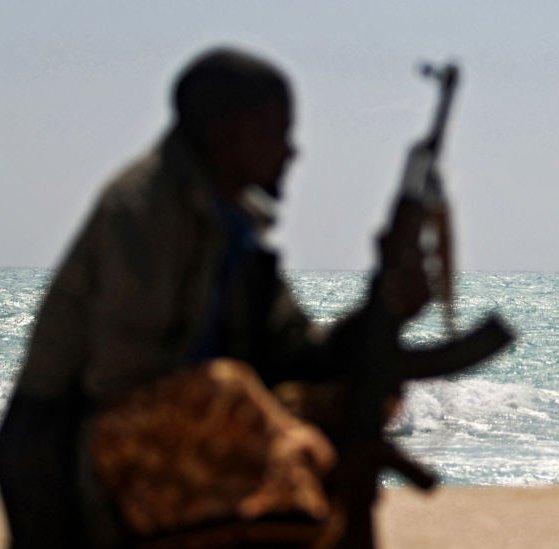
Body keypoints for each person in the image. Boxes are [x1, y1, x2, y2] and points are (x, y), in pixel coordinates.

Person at [0, 47, 435, 547]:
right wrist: (265, 418)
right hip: (70, 444)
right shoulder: (145, 211)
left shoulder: (236, 230)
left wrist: (384, 308)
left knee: (359, 394)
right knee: (227, 388)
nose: (291, 151)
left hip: (165, 424)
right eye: (277, 132)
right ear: (225, 133)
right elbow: (119, 379)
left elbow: (296, 351)